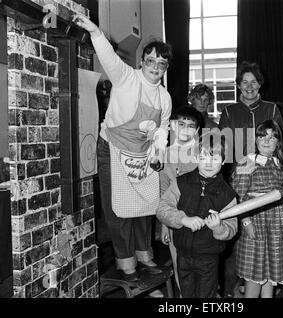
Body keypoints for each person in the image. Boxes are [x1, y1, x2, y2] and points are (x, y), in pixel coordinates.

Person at [73, 15, 172, 282]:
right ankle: (125, 262)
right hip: (113, 149)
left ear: (165, 68)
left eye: (161, 64)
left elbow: (163, 127)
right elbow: (108, 56)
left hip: (142, 154)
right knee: (118, 209)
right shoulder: (126, 77)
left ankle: (145, 256)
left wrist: (158, 147)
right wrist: (95, 30)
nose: (155, 67)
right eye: (150, 61)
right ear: (142, 62)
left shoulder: (165, 96)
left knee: (146, 206)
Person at [218, 61, 283, 297]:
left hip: (270, 193)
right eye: (244, 82)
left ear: (260, 84)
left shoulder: (271, 109)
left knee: (269, 262)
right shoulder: (229, 111)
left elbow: (280, 141)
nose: (249, 86)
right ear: (238, 85)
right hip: (242, 182)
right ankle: (233, 291)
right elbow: (222, 148)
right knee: (241, 250)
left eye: (254, 82)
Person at [156, 135, 238, 298]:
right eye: (203, 157)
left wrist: (218, 228)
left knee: (206, 296)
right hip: (183, 254)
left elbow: (232, 228)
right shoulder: (181, 183)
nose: (208, 163)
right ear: (195, 158)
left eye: (214, 158)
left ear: (223, 161)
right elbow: (162, 208)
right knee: (186, 294)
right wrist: (183, 219)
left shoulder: (228, 195)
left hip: (208, 258)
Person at [232, 120, 283, 298]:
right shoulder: (247, 162)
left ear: (278, 143)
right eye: (262, 136)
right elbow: (239, 196)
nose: (267, 140)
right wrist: (246, 221)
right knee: (255, 270)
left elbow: (279, 190)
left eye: (272, 137)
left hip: (277, 222)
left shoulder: (281, 164)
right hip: (255, 219)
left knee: (271, 271)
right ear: (255, 140)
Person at [159, 106, 203, 295]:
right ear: (172, 127)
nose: (185, 129)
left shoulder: (205, 152)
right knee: (180, 266)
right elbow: (163, 189)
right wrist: (164, 224)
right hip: (176, 218)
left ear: (198, 130)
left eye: (191, 126)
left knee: (202, 267)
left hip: (201, 217)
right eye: (181, 124)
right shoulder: (165, 154)